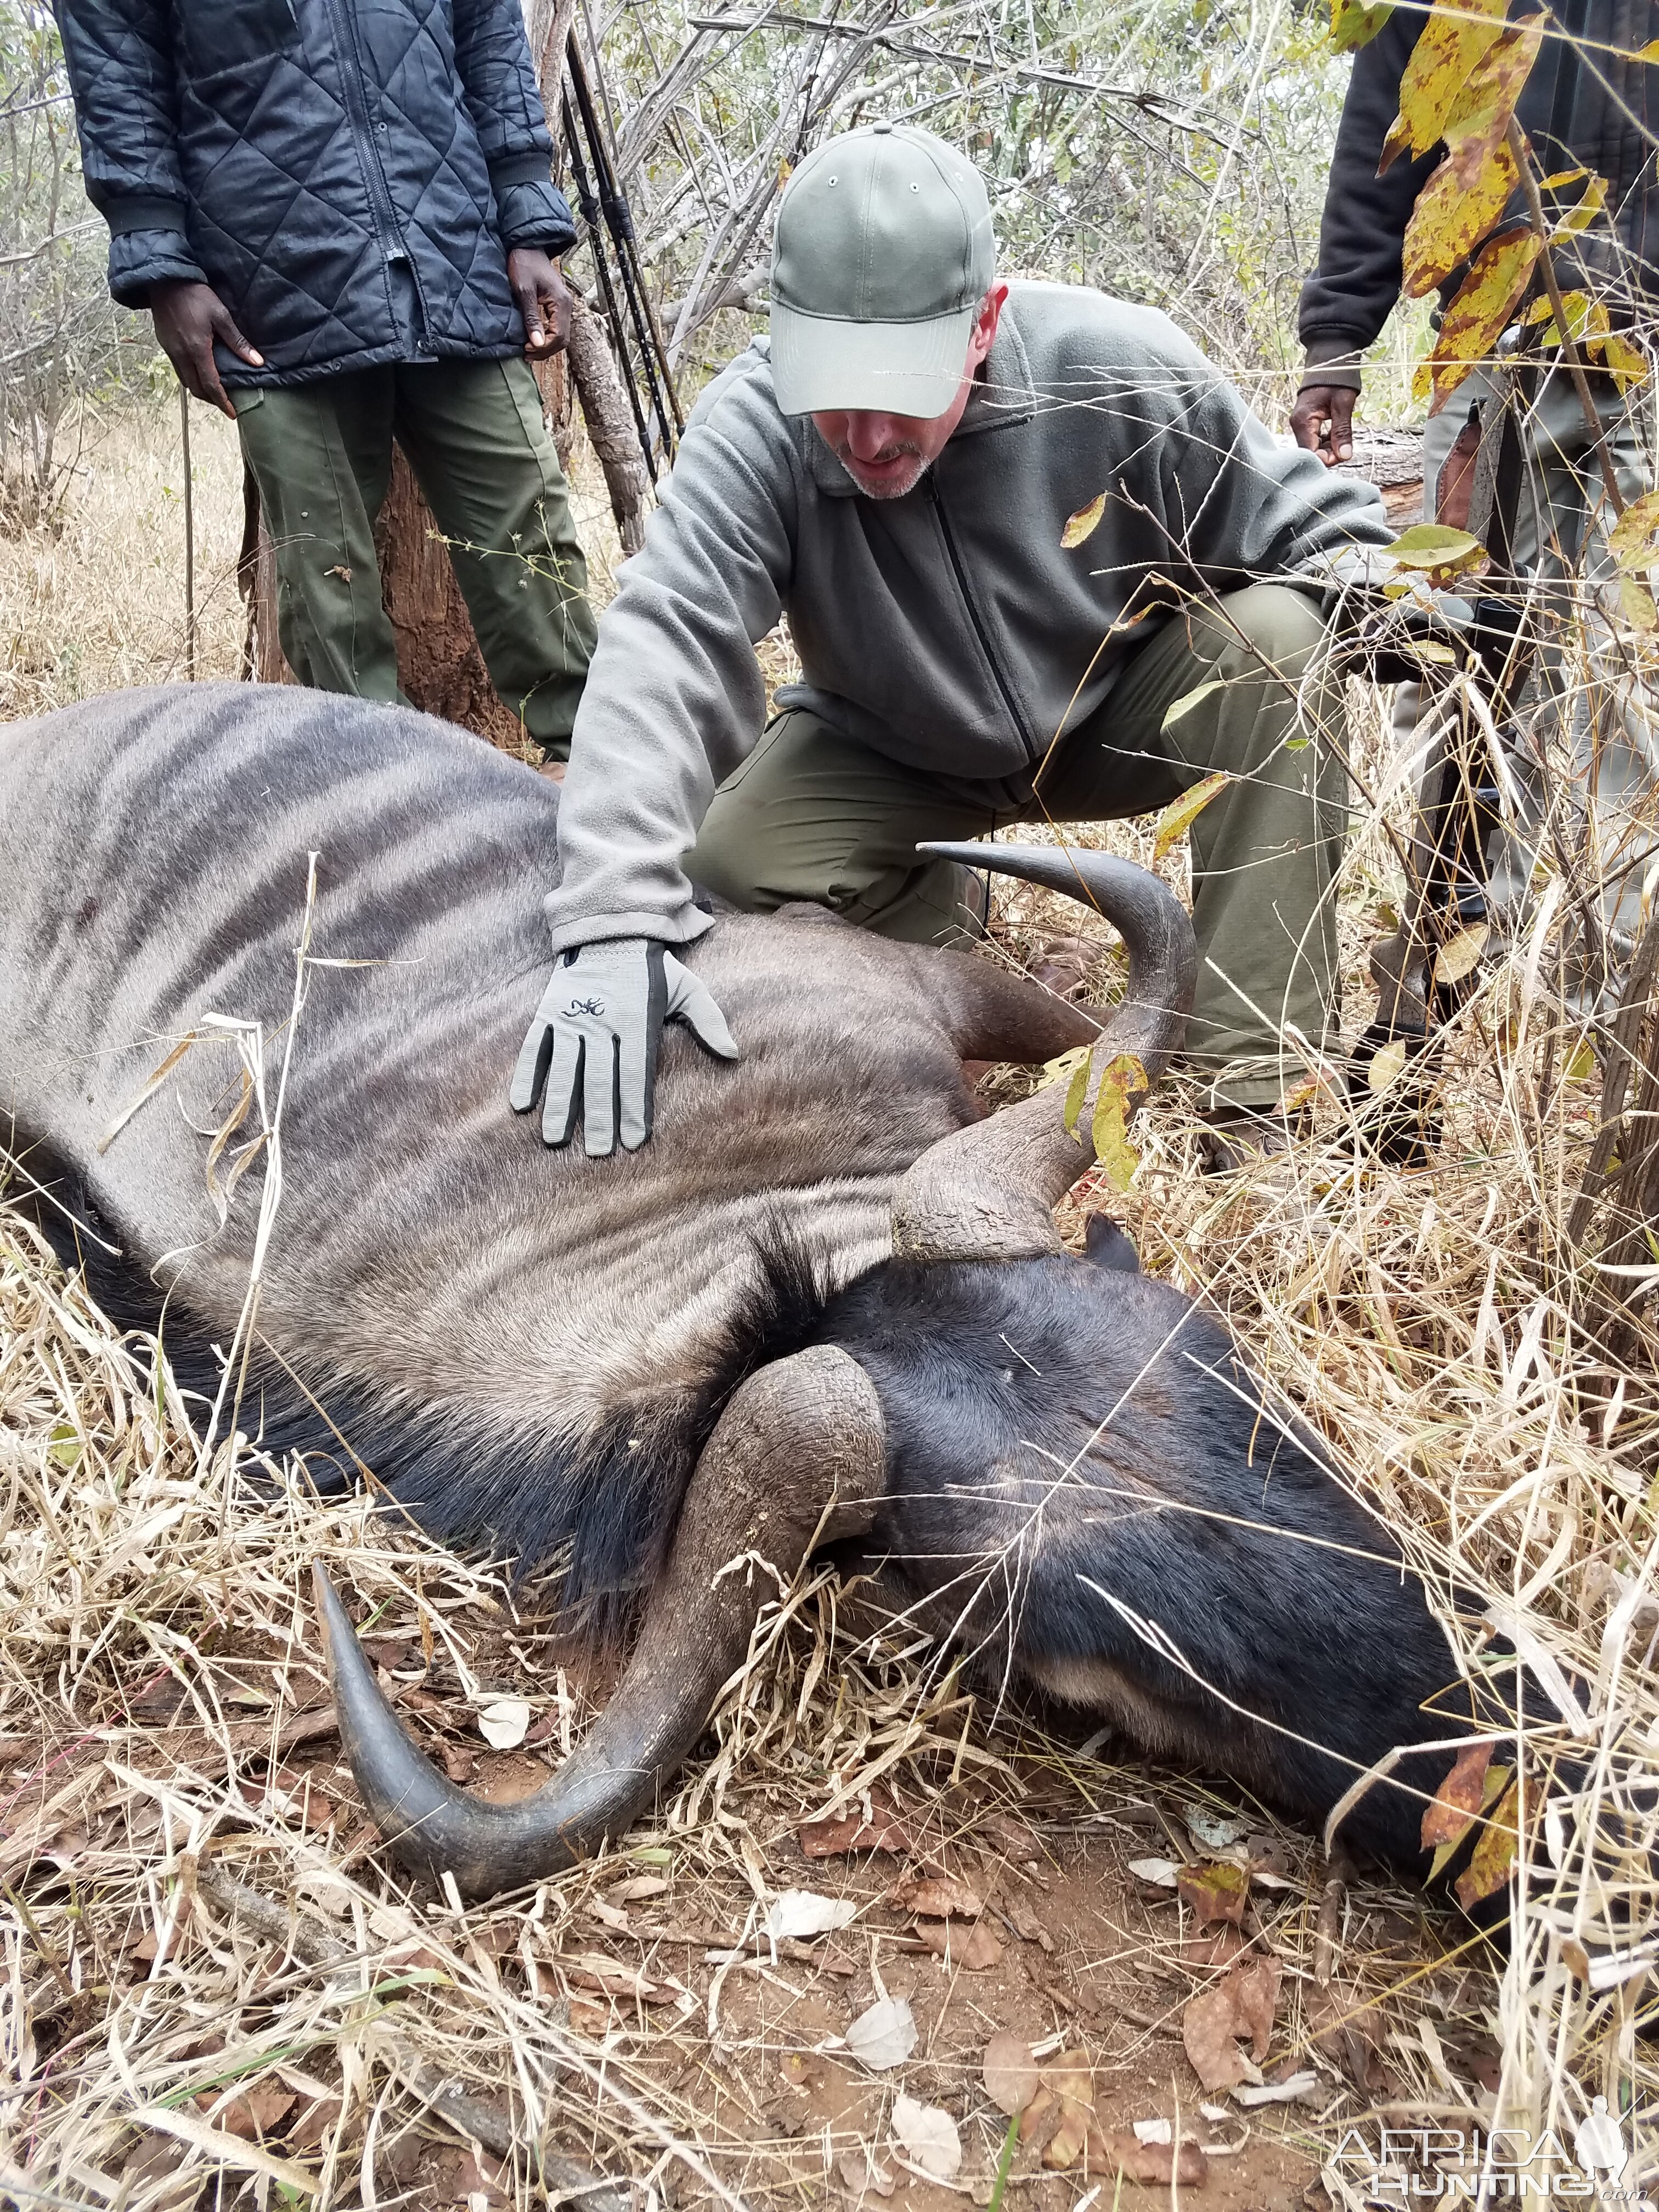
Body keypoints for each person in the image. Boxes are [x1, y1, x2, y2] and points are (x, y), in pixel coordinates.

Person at [511, 122, 1395, 1160]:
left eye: (903, 389)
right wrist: (614, 918)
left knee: (1279, 637)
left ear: (984, 323)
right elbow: (667, 634)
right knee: (719, 866)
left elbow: (1307, 523)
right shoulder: (751, 426)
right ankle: (943, 920)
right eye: (835, 392)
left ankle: (1249, 1107)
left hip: (1117, 711)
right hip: (892, 748)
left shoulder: (1114, 366)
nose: (870, 439)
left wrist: (1402, 601)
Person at [59, 0, 598, 754]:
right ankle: (376, 811)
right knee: (327, 582)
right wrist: (161, 268)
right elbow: (116, 63)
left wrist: (529, 218)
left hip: (451, 248)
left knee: (532, 541)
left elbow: (489, 32)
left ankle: (605, 790)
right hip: (266, 284)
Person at [1291, 4, 1659, 984]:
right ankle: (1443, 977)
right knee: (1459, 665)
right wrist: (1338, 334)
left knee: (1620, 690)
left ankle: (1586, 1000)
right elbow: (1389, 112)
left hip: (1648, 359)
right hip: (1490, 351)